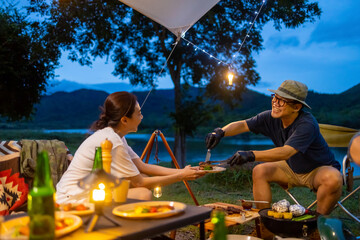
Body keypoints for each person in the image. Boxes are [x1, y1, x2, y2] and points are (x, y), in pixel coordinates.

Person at [205, 80, 343, 215]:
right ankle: (264, 222)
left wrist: (250, 154)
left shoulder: (307, 124)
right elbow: (243, 125)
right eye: (275, 97)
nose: (275, 103)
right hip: (292, 168)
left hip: (317, 171)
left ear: (296, 107)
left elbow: (286, 152)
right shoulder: (270, 117)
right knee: (260, 171)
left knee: (333, 179)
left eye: (282, 101)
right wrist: (220, 132)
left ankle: (318, 225)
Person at [56, 91, 206, 203]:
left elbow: (143, 166)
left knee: (139, 185)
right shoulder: (112, 141)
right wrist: (181, 176)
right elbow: (139, 182)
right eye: (139, 114)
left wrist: (184, 171)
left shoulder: (116, 136)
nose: (142, 117)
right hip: (72, 198)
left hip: (80, 191)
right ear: (124, 120)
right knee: (143, 193)